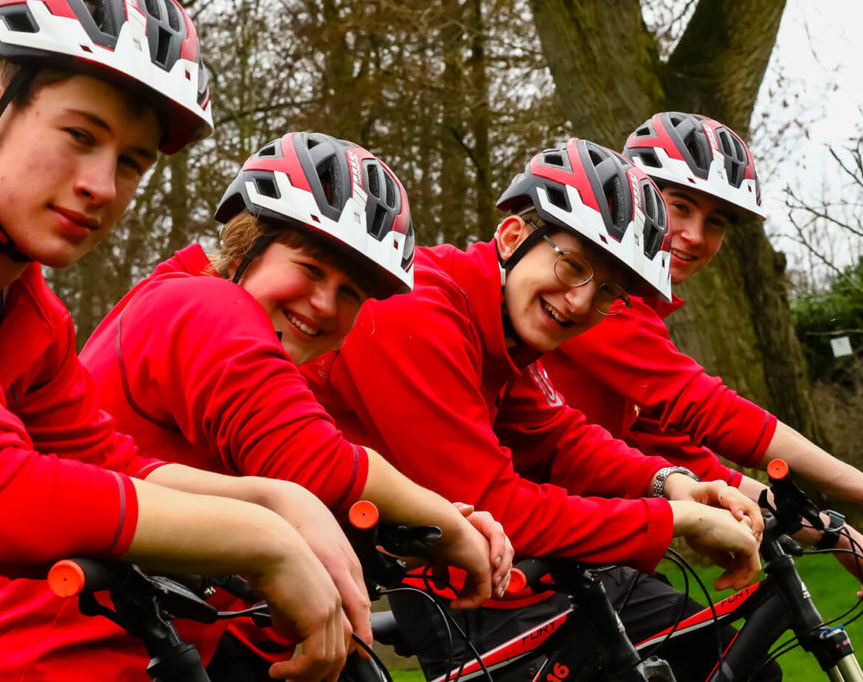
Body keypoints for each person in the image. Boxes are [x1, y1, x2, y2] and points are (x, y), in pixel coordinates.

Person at [0, 2, 388, 680]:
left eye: (131, 163)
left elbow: (106, 463)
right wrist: (263, 541)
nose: (101, 186)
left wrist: (277, 500)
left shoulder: (26, 315)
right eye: (79, 135)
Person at [0, 130, 510, 680]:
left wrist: (429, 522)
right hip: (47, 668)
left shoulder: (194, 311)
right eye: (310, 269)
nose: (324, 305)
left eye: (351, 294)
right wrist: (454, 531)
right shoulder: (202, 305)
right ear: (247, 243)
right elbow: (316, 465)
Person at [298, 137, 775, 681]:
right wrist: (675, 519)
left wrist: (670, 482)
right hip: (437, 585)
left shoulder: (503, 325)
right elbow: (493, 502)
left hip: (485, 571)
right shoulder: (417, 311)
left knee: (738, 664)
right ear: (512, 236)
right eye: (573, 265)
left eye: (608, 293)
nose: (579, 302)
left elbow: (561, 436)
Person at [539, 112, 863, 575]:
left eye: (716, 223)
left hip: (564, 552)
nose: (694, 237)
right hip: (509, 558)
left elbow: (699, 466)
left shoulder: (638, 316)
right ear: (636, 198)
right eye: (681, 207)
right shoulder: (596, 301)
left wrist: (841, 537)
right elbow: (709, 410)